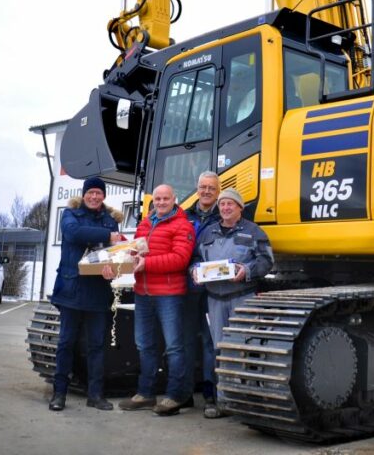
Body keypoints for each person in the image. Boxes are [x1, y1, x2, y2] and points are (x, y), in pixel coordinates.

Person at [105, 184, 194, 416]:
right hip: (143, 293)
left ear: (174, 199)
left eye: (166, 198)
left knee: (174, 347)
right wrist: (122, 246)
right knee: (145, 345)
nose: (161, 202)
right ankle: (146, 393)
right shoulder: (145, 224)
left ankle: (175, 396)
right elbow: (136, 252)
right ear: (152, 201)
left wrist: (147, 264)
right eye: (157, 199)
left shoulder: (183, 226)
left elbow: (180, 259)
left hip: (169, 294)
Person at [191, 188, 274, 413]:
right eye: (222, 204)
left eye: (230, 204)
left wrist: (247, 270)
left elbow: (267, 261)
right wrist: (195, 272)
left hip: (242, 298)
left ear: (240, 208)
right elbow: (196, 259)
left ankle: (247, 401)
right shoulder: (208, 233)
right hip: (215, 300)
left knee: (245, 346)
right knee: (220, 350)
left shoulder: (253, 232)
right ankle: (222, 402)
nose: (226, 208)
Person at [48, 176, 122, 412]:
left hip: (98, 292)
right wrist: (106, 236)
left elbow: (112, 253)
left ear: (103, 196)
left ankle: (95, 395)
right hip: (71, 290)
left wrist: (112, 268)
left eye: (98, 193)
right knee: (66, 343)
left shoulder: (110, 221)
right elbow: (74, 234)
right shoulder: (70, 215)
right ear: (84, 194)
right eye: (90, 192)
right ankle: (59, 393)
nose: (94, 196)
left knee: (97, 346)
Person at [182, 171, 221, 417]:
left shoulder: (224, 215)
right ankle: (184, 394)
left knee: (209, 342)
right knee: (184, 341)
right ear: (197, 189)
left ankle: (211, 395)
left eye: (211, 188)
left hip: (213, 290)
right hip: (187, 286)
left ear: (218, 191)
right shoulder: (185, 216)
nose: (206, 191)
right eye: (202, 187)